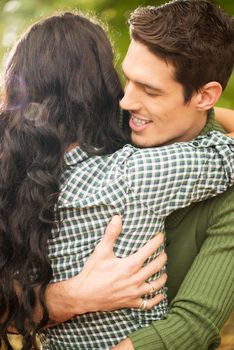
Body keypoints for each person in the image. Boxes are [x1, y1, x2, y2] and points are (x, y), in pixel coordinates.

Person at [0, 7, 234, 350]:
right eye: (126, 79)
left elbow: (194, 324)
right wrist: (69, 297)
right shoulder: (118, 153)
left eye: (149, 90)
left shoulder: (35, 170)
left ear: (203, 95)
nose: (126, 100)